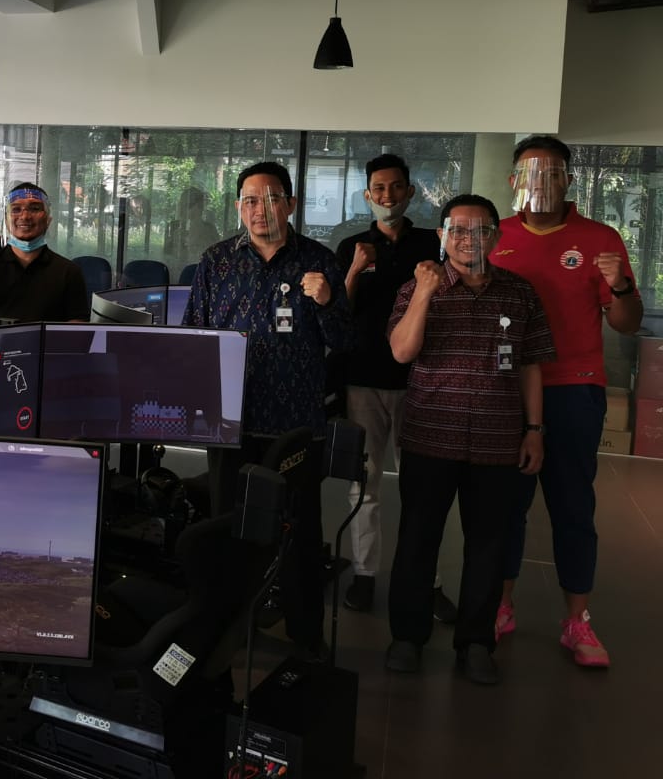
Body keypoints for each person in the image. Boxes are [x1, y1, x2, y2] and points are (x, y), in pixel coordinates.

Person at [182, 161, 352, 657]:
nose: (261, 209)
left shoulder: (319, 261)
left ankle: (306, 637)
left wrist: (326, 303)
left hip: (294, 426)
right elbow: (194, 336)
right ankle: (228, 631)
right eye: (251, 200)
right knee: (229, 532)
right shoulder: (216, 261)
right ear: (239, 207)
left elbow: (346, 340)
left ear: (291, 204)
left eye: (272, 198)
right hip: (230, 421)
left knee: (299, 535)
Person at [385, 194, 554, 685]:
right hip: (429, 437)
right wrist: (424, 292)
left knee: (489, 545)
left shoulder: (519, 293)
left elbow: (531, 366)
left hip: (497, 440)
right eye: (457, 230)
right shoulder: (417, 287)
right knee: (417, 539)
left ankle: (477, 642)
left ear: (496, 237)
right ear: (442, 236)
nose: (468, 239)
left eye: (480, 230)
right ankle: (407, 636)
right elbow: (401, 352)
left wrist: (535, 430)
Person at [490, 135, 642, 667]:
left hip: (575, 387)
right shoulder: (495, 235)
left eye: (553, 173)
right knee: (505, 505)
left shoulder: (600, 238)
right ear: (514, 182)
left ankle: (578, 621)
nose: (542, 183)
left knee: (573, 505)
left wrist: (620, 286)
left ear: (569, 180)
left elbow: (627, 324)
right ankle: (500, 606)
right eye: (531, 174)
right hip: (506, 388)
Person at [334, 154, 456, 622]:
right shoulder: (351, 245)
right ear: (368, 195)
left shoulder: (431, 243)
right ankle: (364, 574)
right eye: (379, 189)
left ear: (410, 192)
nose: (388, 196)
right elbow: (337, 315)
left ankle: (428, 580)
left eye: (396, 187)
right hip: (362, 381)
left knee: (422, 489)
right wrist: (353, 271)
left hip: (420, 381)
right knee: (362, 486)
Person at [0, 182, 88, 325]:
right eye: (16, 209)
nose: (25, 216)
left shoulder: (68, 271)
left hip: (45, 340)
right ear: (6, 220)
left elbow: (77, 326)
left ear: (48, 219)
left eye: (35, 208)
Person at [165, 186, 221, 273]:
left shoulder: (210, 231)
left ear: (199, 206)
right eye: (182, 205)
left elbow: (214, 259)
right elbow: (170, 259)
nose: (182, 209)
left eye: (188, 205)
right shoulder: (176, 232)